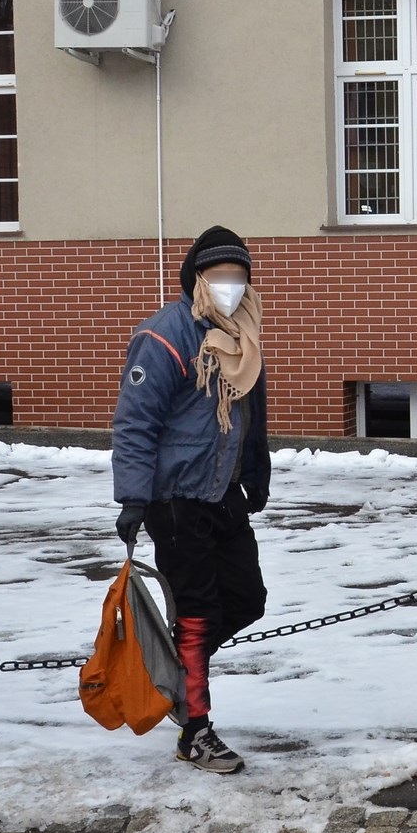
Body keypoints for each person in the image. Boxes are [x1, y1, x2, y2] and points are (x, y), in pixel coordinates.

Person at [112, 226, 271, 773]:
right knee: (199, 612)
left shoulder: (243, 335)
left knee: (247, 600)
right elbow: (135, 423)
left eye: (239, 276)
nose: (231, 285)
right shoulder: (164, 335)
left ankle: (176, 671)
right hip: (176, 498)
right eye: (220, 275)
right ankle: (195, 731)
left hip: (222, 493)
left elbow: (250, 417)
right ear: (197, 278)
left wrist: (256, 474)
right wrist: (134, 498)